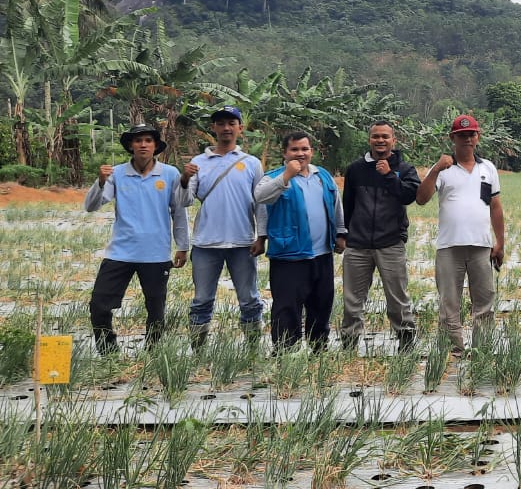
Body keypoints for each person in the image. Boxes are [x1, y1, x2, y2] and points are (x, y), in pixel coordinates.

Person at [84, 124, 189, 354]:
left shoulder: (170, 173)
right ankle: (108, 352)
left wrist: (183, 246)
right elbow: (91, 206)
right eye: (138, 140)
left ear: (155, 146)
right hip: (120, 252)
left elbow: (179, 211)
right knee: (99, 304)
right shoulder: (117, 174)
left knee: (156, 309)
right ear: (130, 146)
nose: (143, 144)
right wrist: (100, 181)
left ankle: (152, 353)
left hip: (156, 254)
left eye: (148, 140)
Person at [417, 114, 505, 354]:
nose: (467, 138)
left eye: (471, 134)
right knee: (449, 303)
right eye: (462, 135)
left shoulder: (488, 168)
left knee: (484, 303)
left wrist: (500, 242)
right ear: (452, 138)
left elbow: (495, 207)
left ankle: (482, 350)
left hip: (481, 246)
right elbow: (421, 198)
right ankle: (453, 350)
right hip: (449, 247)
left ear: (478, 137)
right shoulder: (444, 168)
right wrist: (435, 169)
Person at [181, 106, 266, 349]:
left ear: (240, 128)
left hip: (242, 243)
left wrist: (261, 236)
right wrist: (185, 178)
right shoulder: (198, 162)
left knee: (249, 299)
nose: (226, 128)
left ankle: (252, 348)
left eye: (232, 123)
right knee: (201, 300)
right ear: (213, 128)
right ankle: (198, 350)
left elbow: (260, 203)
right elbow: (186, 200)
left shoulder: (251, 163)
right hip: (206, 243)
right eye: (221, 123)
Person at [255, 131, 346, 351]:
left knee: (321, 303)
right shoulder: (273, 177)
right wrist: (286, 176)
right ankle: (287, 350)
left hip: (321, 253)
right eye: (294, 149)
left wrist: (341, 233)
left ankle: (318, 347)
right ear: (284, 153)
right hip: (289, 255)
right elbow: (260, 197)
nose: (300, 154)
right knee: (287, 307)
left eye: (304, 149)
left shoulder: (322, 176)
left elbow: (336, 205)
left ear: (312, 152)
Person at [340, 121, 421, 353]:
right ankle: (349, 344)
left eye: (385, 136)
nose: (380, 140)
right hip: (358, 244)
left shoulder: (405, 169)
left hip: (391, 243)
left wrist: (389, 175)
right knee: (352, 301)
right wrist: (344, 235)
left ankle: (405, 343)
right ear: (369, 140)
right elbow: (348, 204)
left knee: (398, 299)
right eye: (376, 136)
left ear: (393, 141)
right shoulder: (355, 169)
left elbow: (408, 196)